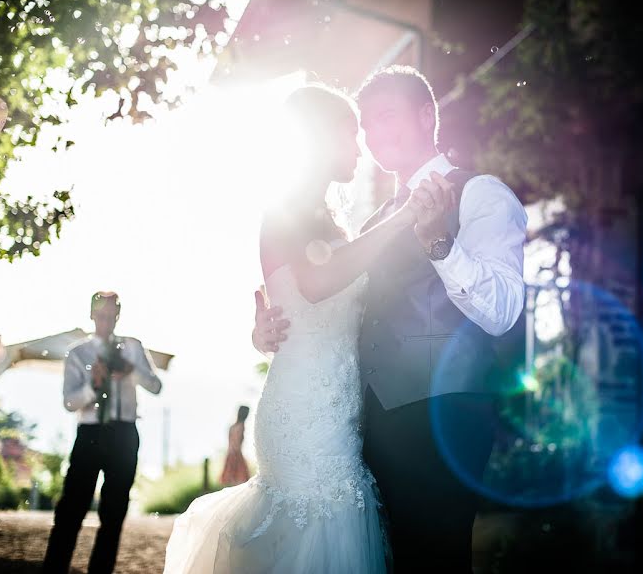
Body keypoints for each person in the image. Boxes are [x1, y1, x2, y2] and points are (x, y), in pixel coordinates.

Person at [252, 65, 527, 572]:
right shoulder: (374, 221)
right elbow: (340, 307)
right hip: (369, 424)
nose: (375, 136)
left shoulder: (480, 193)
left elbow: (503, 312)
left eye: (386, 117)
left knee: (437, 559)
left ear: (427, 116)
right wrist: (267, 328)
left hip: (444, 417)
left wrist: (440, 246)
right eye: (367, 126)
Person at [164, 83, 433, 573]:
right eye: (351, 135)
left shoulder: (334, 221)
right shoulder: (284, 209)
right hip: (303, 411)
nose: (360, 147)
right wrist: (401, 221)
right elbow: (316, 283)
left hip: (342, 411)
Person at [43, 291, 163, 574]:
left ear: (118, 315)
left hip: (124, 433)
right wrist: (93, 385)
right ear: (91, 314)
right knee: (71, 508)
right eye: (101, 315)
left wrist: (132, 371)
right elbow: (69, 403)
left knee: (114, 512)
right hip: (91, 433)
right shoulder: (78, 353)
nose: (106, 321)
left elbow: (156, 386)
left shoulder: (133, 347)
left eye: (111, 315)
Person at [219, 406, 251, 487]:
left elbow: (230, 442)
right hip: (236, 455)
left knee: (231, 482)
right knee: (239, 482)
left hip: (230, 454)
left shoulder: (232, 427)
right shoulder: (241, 426)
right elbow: (237, 443)